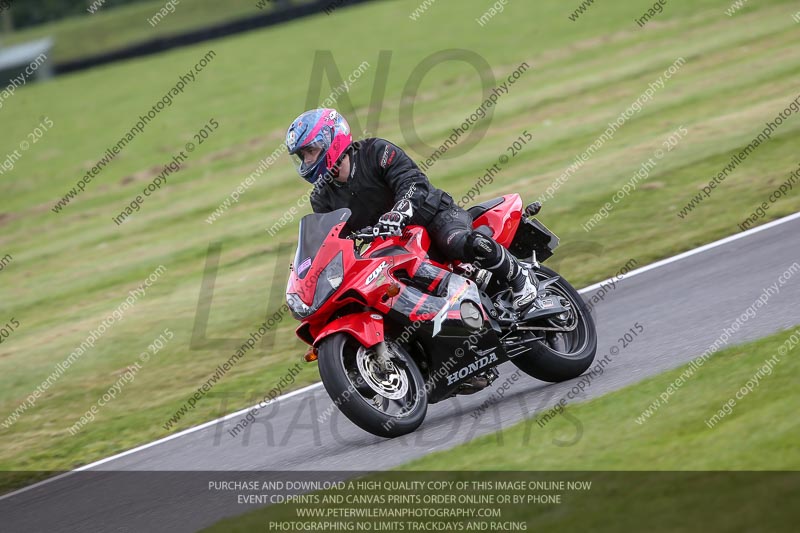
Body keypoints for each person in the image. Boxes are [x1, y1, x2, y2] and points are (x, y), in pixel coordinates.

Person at [285, 108, 537, 310]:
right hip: (389, 246)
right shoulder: (321, 197)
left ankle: (519, 278)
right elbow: (329, 238)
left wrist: (399, 212)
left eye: (311, 151)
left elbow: (412, 182)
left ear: (332, 138)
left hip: (433, 216)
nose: (307, 160)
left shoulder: (376, 152)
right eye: (303, 156)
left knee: (458, 243)